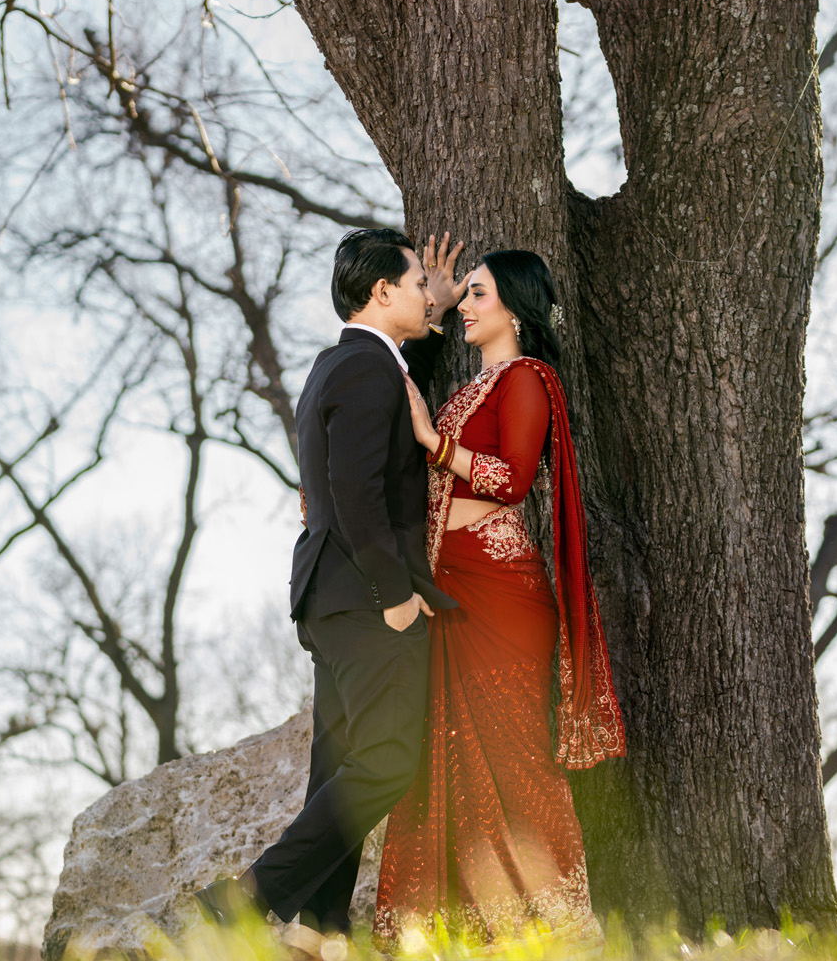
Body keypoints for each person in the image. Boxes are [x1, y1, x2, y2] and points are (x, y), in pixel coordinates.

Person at [195, 228, 466, 950]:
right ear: (381, 291)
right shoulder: (363, 371)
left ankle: (320, 929)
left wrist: (432, 322)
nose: (426, 295)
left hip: (330, 597)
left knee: (338, 768)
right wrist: (396, 595)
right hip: (366, 597)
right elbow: (354, 489)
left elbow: (393, 391)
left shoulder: (346, 366)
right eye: (416, 285)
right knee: (387, 760)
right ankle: (247, 897)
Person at [375, 249, 626, 946]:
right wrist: (431, 305)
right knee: (443, 761)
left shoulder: (527, 379)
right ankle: (472, 931)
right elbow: (416, 387)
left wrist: (433, 442)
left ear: (514, 307)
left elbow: (510, 478)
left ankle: (568, 926)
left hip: (501, 598)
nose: (465, 307)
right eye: (464, 297)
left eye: (477, 294)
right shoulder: (466, 389)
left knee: (515, 757)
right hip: (450, 592)